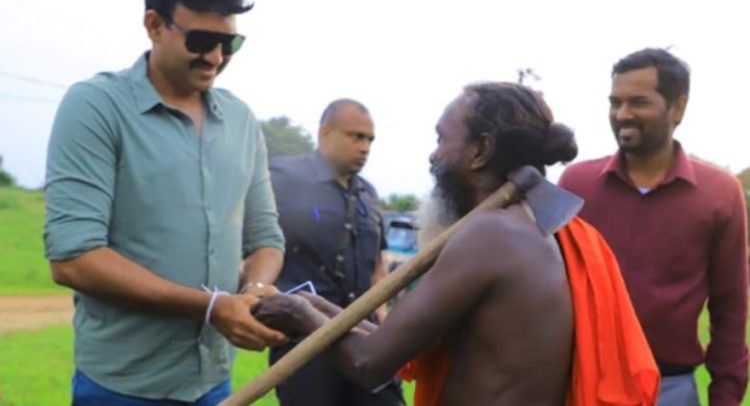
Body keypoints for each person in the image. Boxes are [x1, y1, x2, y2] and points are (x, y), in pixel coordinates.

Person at [255, 82, 660, 406]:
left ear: (481, 150)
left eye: (441, 139)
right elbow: (390, 336)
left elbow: (370, 361)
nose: (434, 156)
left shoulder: (491, 234)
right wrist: (312, 305)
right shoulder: (531, 230)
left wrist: (296, 314)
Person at [44, 0, 287, 404]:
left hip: (212, 382)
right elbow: (74, 257)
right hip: (122, 387)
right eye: (201, 41)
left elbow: (266, 238)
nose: (216, 57)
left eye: (229, 44)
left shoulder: (241, 121)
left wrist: (254, 290)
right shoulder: (97, 106)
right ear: (154, 25)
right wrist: (210, 307)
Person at [558, 48, 749, 406]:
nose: (622, 114)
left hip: (671, 389)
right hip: (584, 383)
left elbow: (731, 306)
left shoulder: (719, 193)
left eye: (638, 102)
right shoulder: (575, 185)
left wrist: (725, 396)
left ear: (677, 107)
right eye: (615, 102)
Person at [267, 99, 402, 406]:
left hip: (362, 340)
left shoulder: (367, 194)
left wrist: (383, 323)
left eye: (369, 140)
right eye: (356, 137)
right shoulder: (284, 177)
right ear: (325, 133)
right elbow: (251, 236)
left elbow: (377, 267)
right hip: (305, 341)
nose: (365, 148)